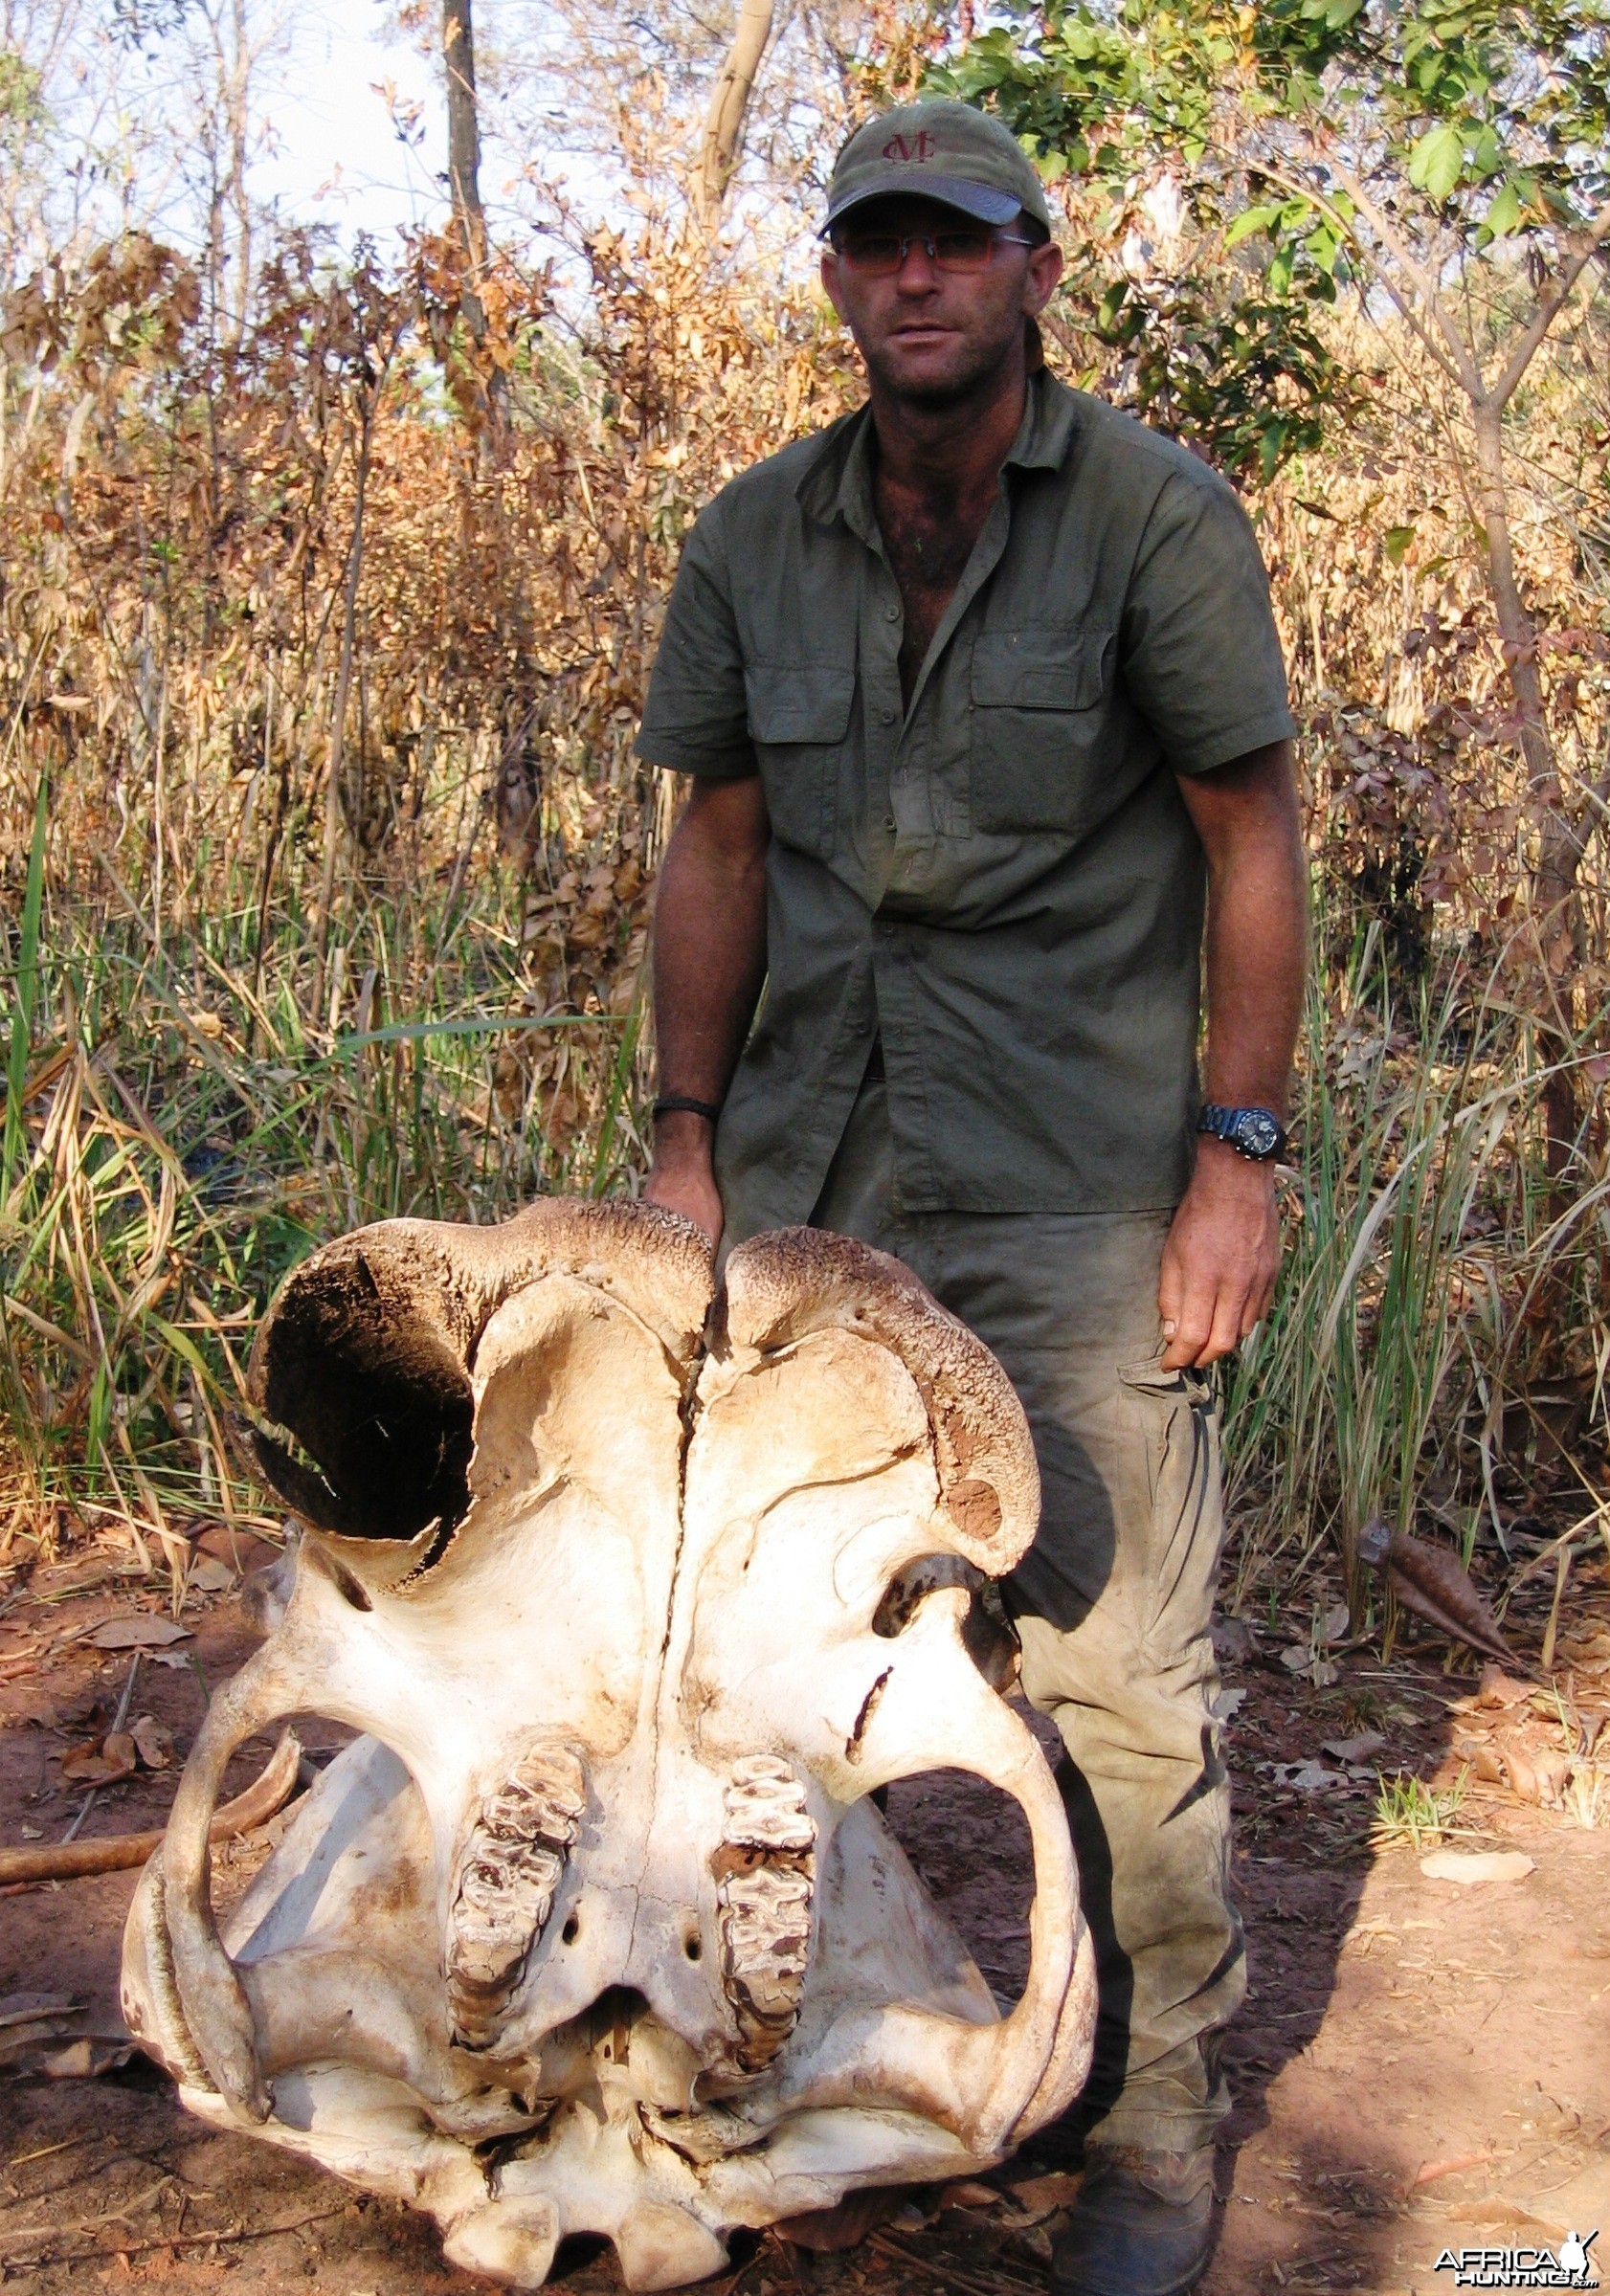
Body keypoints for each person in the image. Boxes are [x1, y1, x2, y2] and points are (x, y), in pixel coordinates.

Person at [637, 97, 1307, 2296]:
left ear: (1034, 267)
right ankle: (797, 2061)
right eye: (877, 247)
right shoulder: (751, 536)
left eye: (958, 244)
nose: (915, 279)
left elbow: (1248, 840)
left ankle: (1150, 2126)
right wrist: (681, 1141)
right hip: (820, 1179)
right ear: (834, 278)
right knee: (760, 1659)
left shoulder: (1149, 520)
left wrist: (1236, 1161)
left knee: (1112, 1680)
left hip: (1075, 1185)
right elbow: (719, 842)